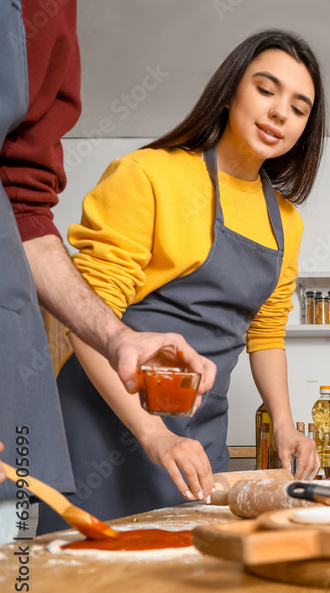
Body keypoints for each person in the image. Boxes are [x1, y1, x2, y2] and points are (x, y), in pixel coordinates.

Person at [39, 28, 326, 537]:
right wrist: (152, 433)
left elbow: (265, 334)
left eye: (299, 108)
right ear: (231, 90)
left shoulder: (286, 220)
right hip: (101, 423)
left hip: (198, 434)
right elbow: (87, 321)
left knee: (189, 585)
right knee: (90, 589)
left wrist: (285, 425)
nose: (281, 112)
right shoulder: (147, 175)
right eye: (266, 89)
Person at [0, 0, 214, 542]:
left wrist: (119, 338)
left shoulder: (46, 13)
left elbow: (24, 209)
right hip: (103, 427)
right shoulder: (145, 174)